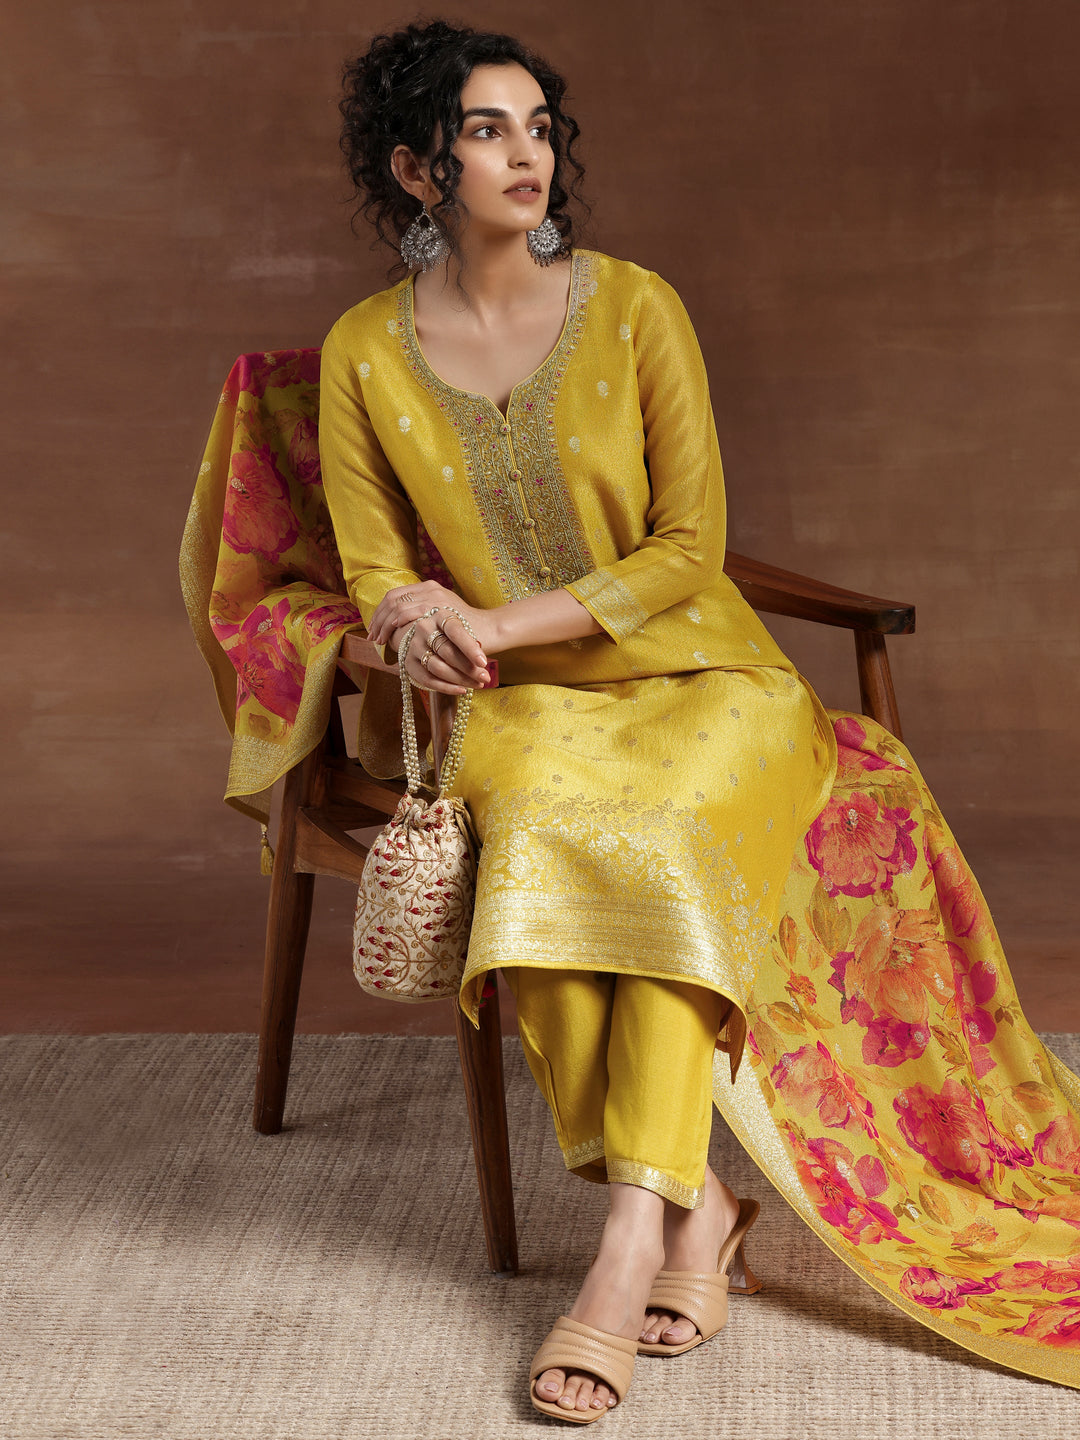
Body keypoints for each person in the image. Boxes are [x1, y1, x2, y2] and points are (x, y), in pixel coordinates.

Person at [318, 19, 1080, 1419]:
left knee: (662, 836)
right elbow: (370, 566)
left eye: (538, 126)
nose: (526, 155)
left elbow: (689, 548)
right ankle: (699, 1213)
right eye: (485, 131)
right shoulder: (365, 349)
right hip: (517, 709)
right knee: (537, 840)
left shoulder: (635, 308)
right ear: (418, 170)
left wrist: (497, 620)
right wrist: (416, 619)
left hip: (705, 680)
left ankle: (630, 1241)